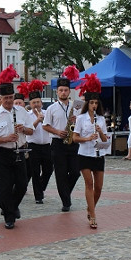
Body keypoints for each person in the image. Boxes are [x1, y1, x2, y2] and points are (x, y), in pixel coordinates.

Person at [0, 81, 34, 229]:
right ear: (0, 99)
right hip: (1, 153)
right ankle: (9, 216)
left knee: (22, 184)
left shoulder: (21, 111)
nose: (9, 101)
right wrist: (5, 138)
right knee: (4, 186)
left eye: (11, 97)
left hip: (19, 151)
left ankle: (11, 206)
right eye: (5, 98)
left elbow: (31, 131)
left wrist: (23, 129)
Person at [42, 67, 81, 212]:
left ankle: (66, 193)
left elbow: (83, 124)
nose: (63, 92)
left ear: (69, 91)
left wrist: (76, 120)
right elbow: (45, 126)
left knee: (76, 172)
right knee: (61, 173)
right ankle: (66, 201)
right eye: (61, 90)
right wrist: (57, 131)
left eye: (65, 90)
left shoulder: (76, 106)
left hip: (73, 142)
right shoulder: (51, 108)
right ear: (57, 92)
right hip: (58, 143)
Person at [72, 87, 108, 229]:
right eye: (92, 103)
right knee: (89, 184)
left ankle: (90, 208)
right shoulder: (81, 118)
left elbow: (105, 140)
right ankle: (92, 215)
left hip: (98, 154)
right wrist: (87, 138)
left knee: (98, 187)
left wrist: (100, 132)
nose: (94, 105)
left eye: (96, 103)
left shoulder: (101, 119)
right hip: (85, 154)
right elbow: (75, 138)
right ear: (88, 104)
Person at [26, 83, 53, 204]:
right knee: (35, 172)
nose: (36, 104)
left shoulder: (48, 113)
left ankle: (41, 188)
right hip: (33, 146)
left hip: (47, 145)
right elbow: (29, 131)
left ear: (41, 103)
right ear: (30, 104)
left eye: (38, 102)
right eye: (33, 103)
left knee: (48, 170)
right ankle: (38, 196)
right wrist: (37, 120)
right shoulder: (27, 116)